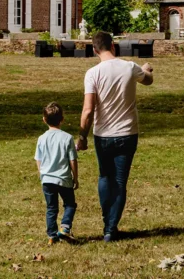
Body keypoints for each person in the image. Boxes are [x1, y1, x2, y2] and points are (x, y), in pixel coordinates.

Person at [76, 31, 153, 242]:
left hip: (103, 135)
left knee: (104, 177)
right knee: (120, 181)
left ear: (94, 50)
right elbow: (148, 80)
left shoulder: (92, 73)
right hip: (128, 133)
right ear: (113, 46)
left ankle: (106, 220)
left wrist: (82, 137)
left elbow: (88, 110)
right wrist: (146, 69)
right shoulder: (129, 67)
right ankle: (111, 228)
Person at [34, 102, 79, 244]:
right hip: (63, 178)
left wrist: (42, 173)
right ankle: (65, 227)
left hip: (47, 179)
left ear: (44, 120)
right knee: (70, 204)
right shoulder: (67, 138)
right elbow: (72, 160)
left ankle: (51, 236)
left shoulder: (41, 138)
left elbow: (38, 159)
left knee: (51, 207)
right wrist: (75, 177)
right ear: (62, 119)